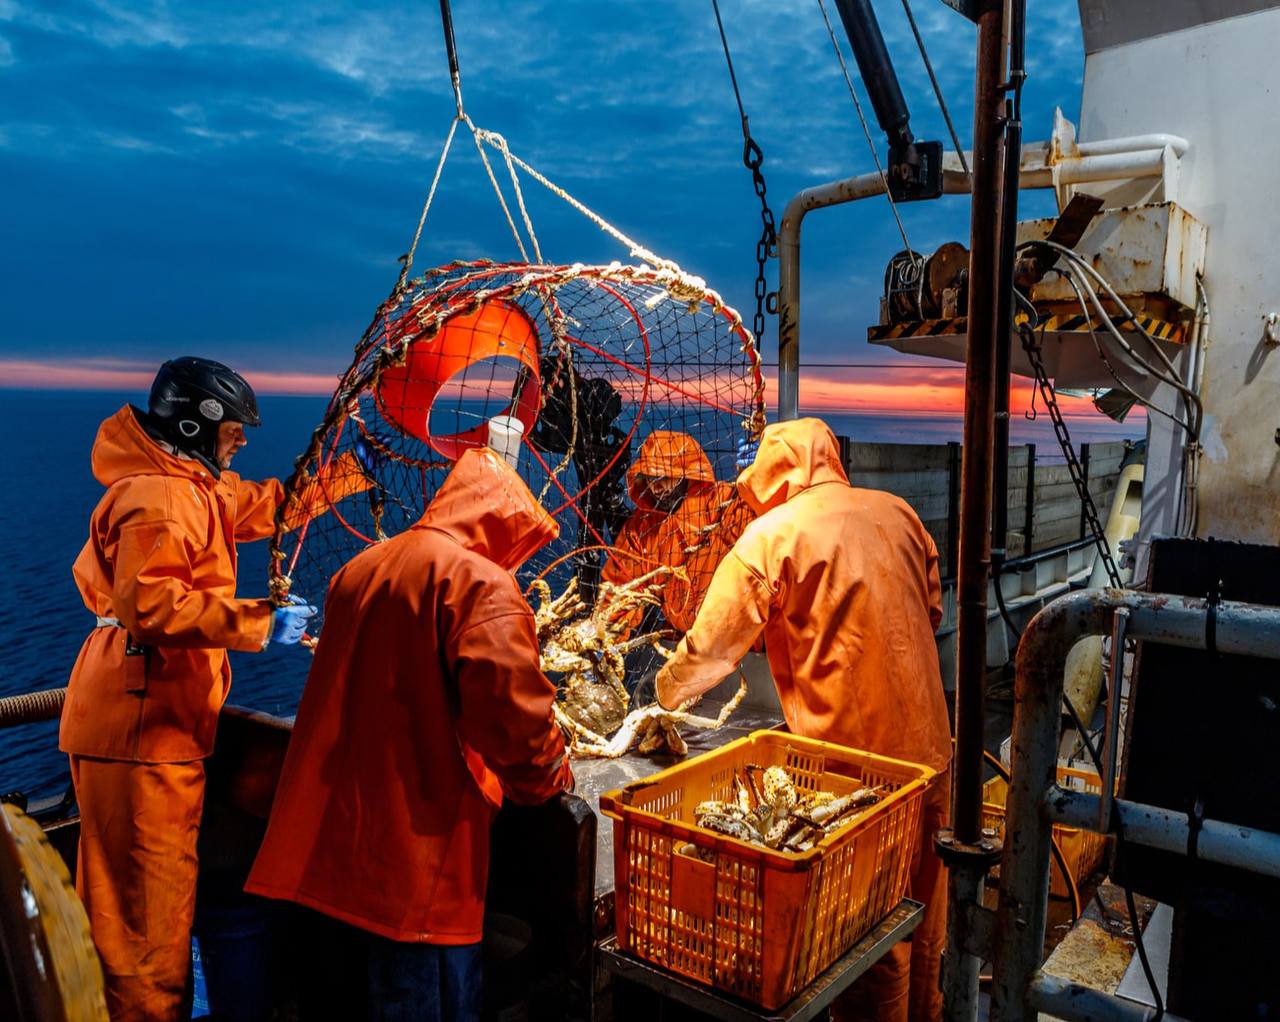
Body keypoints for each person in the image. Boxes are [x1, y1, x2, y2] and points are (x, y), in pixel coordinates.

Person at [61, 356, 368, 1022]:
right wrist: (262, 621)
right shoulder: (159, 498)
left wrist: (350, 472)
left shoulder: (189, 486)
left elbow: (263, 505)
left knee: (131, 902)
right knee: (145, 917)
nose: (243, 439)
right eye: (235, 426)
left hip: (146, 722)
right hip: (144, 731)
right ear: (199, 422)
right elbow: (152, 606)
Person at [245, 445, 574, 1021]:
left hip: (318, 859)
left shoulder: (360, 567)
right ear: (501, 524)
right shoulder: (480, 585)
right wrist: (549, 778)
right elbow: (515, 721)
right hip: (412, 875)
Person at [655, 417, 952, 1022]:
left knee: (871, 938)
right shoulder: (898, 512)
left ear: (771, 478)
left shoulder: (771, 536)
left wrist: (662, 693)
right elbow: (932, 609)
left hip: (855, 774)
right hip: (933, 751)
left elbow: (710, 650)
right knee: (927, 922)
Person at [601, 429, 753, 635]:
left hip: (740, 635)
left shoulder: (725, 502)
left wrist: (761, 476)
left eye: (664, 477)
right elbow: (619, 592)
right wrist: (604, 636)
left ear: (686, 473)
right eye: (650, 478)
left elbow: (772, 527)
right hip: (683, 640)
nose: (657, 487)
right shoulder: (640, 528)